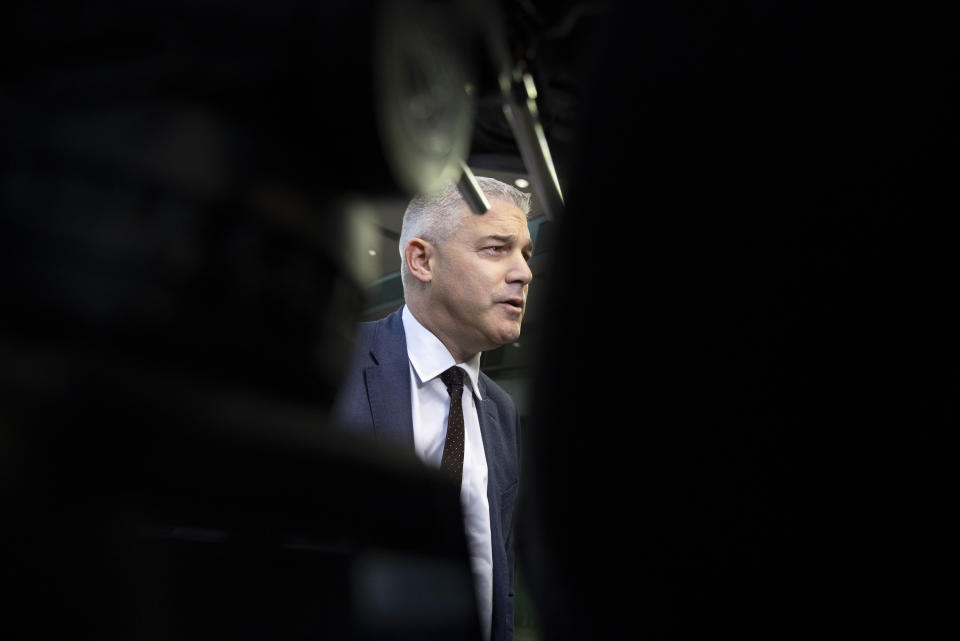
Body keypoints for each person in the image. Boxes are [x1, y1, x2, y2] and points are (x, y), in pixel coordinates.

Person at [333, 176, 533, 641]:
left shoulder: (500, 413)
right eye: (496, 249)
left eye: (524, 253)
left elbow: (493, 569)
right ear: (422, 260)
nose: (524, 272)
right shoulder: (335, 363)